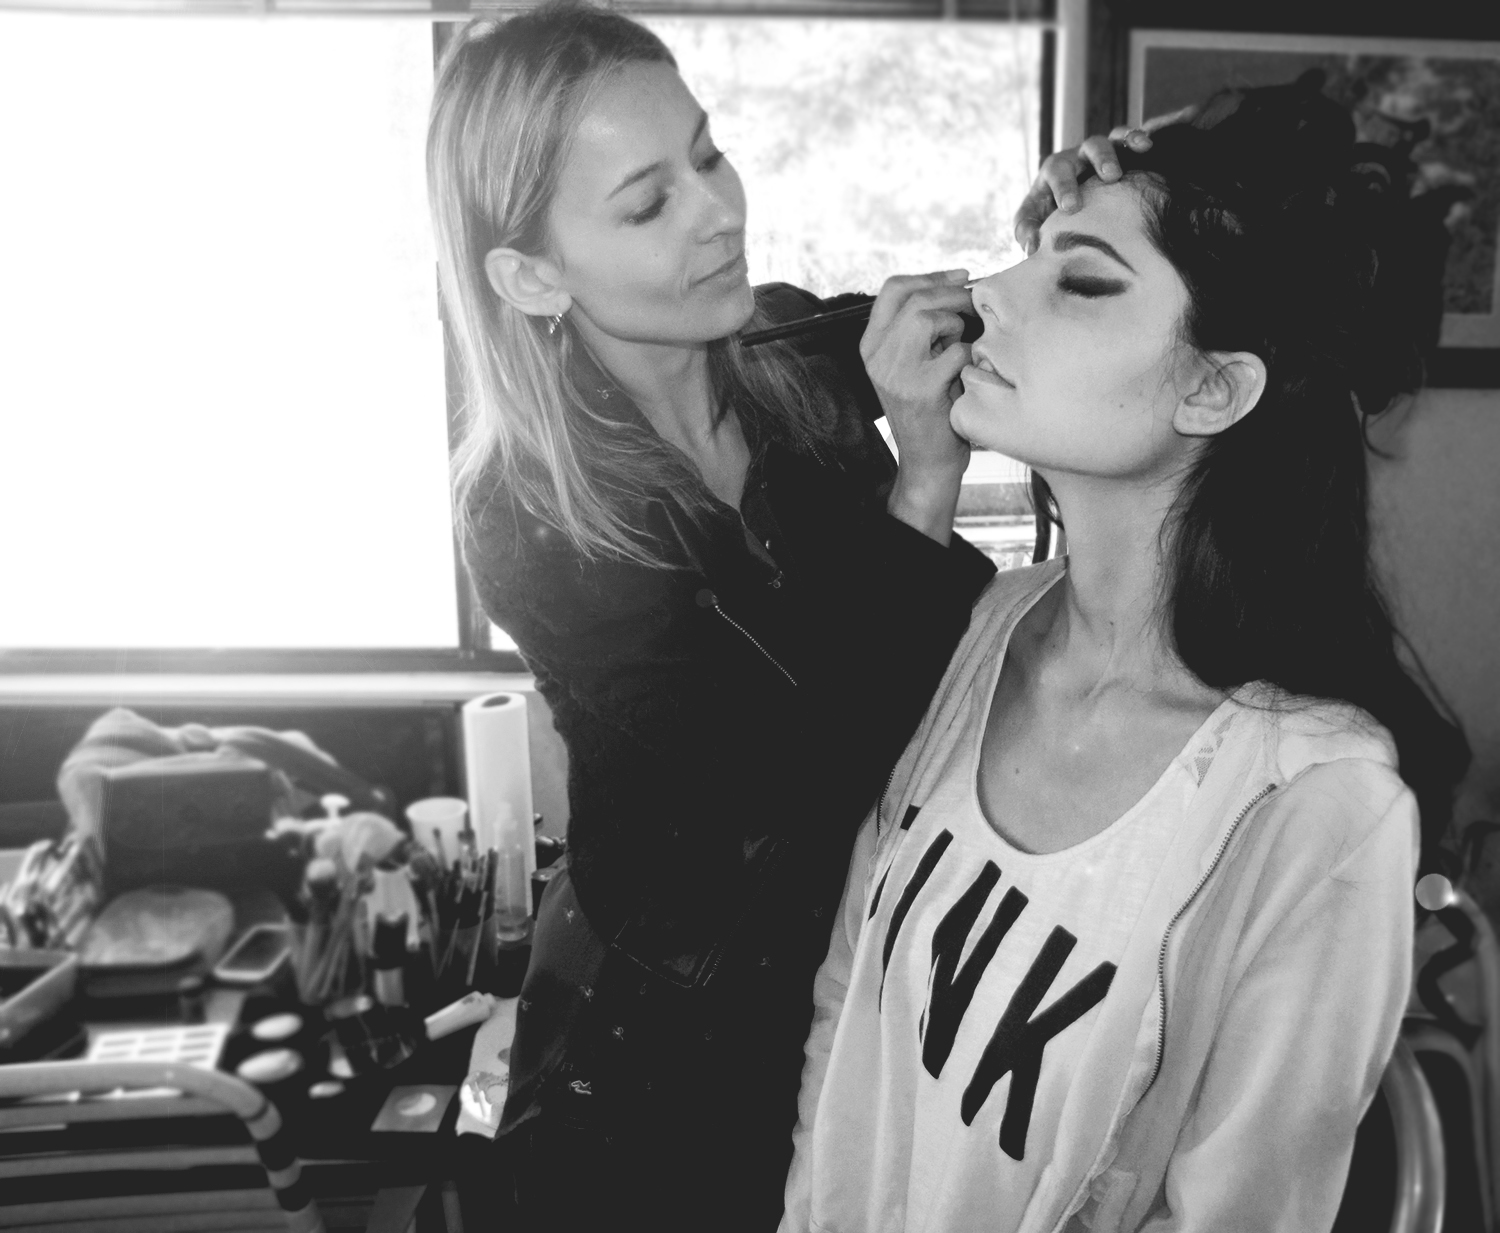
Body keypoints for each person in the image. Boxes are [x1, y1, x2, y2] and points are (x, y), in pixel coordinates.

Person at [780, 74, 1470, 1233]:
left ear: (1214, 387)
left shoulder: (1314, 807)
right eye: (1027, 256)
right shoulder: (988, 625)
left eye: (1084, 282)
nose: (986, 296)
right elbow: (847, 1010)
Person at [425, 4, 1002, 1228]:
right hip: (675, 1022)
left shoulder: (783, 345)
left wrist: (1059, 228)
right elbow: (794, 766)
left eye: (708, 155)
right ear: (532, 276)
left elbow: (978, 323)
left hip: (865, 946)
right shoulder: (526, 515)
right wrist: (924, 479)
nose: (718, 212)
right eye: (649, 204)